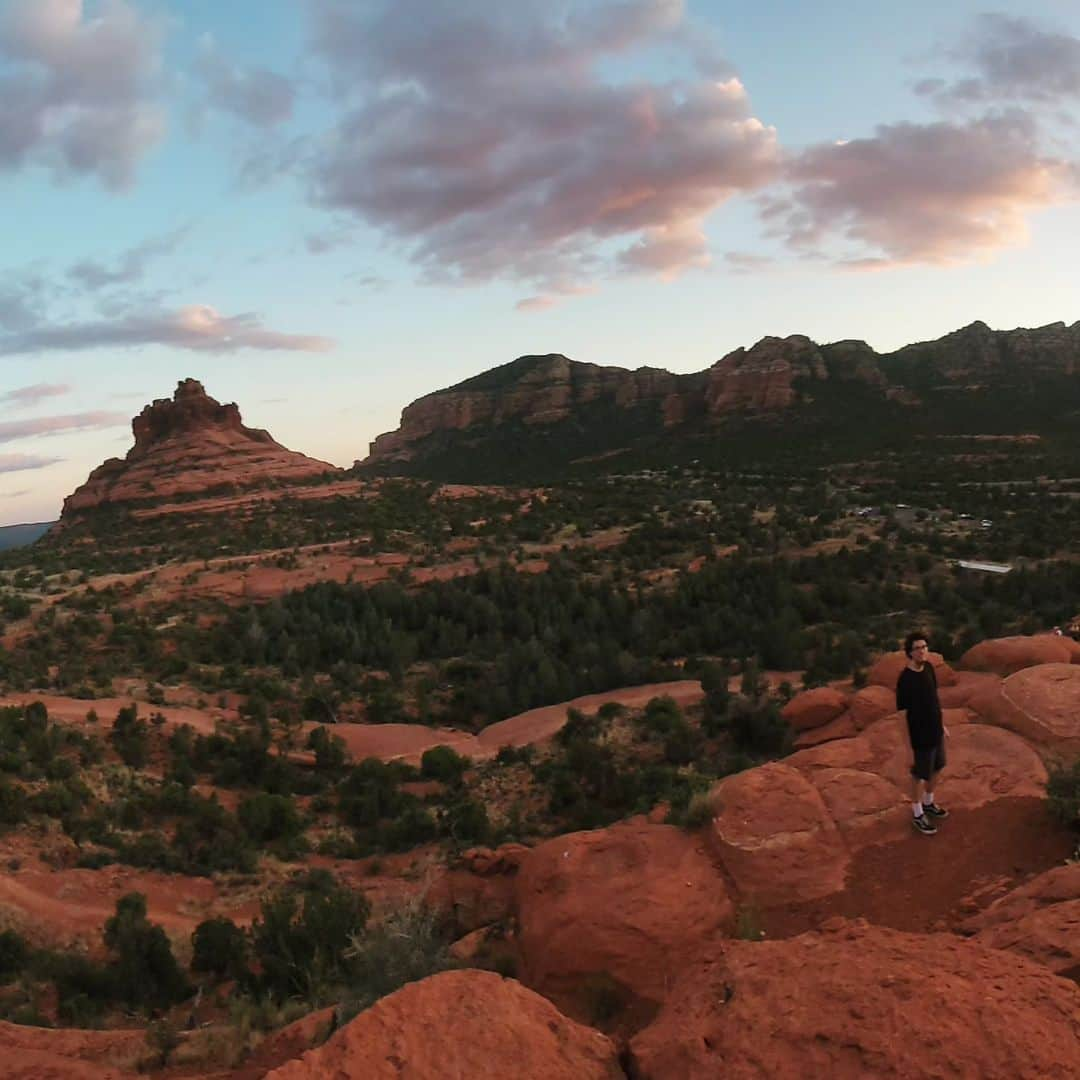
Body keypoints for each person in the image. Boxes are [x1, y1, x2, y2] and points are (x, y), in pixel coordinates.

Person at [896, 631, 949, 835]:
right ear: (910, 652)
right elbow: (901, 715)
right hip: (919, 735)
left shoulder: (928, 668)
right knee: (919, 775)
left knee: (937, 767)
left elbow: (934, 698)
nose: (922, 651)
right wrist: (908, 747)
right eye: (917, 648)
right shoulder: (905, 680)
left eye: (924, 647)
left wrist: (942, 724)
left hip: (935, 730)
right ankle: (917, 814)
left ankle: (928, 803)